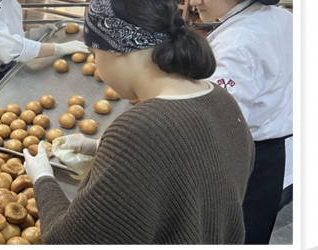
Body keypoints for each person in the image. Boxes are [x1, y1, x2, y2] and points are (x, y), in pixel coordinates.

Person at [23, 0, 254, 244]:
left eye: (95, 54)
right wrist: (105, 152)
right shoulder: (222, 100)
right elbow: (191, 178)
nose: (98, 68)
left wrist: (43, 179)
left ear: (116, 48)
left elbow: (69, 241)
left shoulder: (138, 129)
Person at [191, 0, 293, 244]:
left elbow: (221, 127)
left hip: (249, 162)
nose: (194, 2)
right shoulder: (282, 17)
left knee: (234, 236)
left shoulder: (237, 45)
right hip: (278, 154)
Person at [0, 0, 89, 110]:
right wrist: (58, 48)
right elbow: (7, 47)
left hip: (6, 76)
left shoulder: (10, 2)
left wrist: (32, 35)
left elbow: (10, 37)